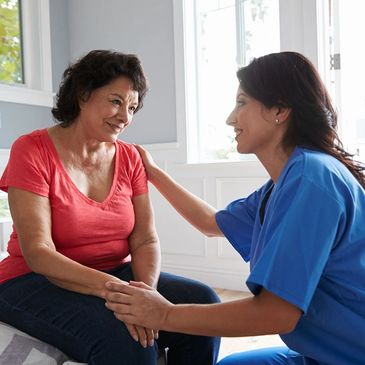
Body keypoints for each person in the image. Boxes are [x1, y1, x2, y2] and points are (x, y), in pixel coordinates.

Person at [104, 51, 365, 365]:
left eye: (242, 103)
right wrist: (155, 173)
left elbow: (276, 314)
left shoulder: (312, 179)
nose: (231, 118)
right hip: (319, 353)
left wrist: (164, 314)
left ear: (280, 109)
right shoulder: (284, 183)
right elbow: (210, 222)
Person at [0, 49, 220, 365]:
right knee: (128, 341)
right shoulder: (32, 149)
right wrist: (121, 293)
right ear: (83, 95)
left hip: (114, 272)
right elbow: (38, 252)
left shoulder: (130, 157)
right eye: (116, 101)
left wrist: (145, 295)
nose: (125, 117)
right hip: (32, 280)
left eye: (132, 107)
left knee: (203, 306)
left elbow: (145, 239)